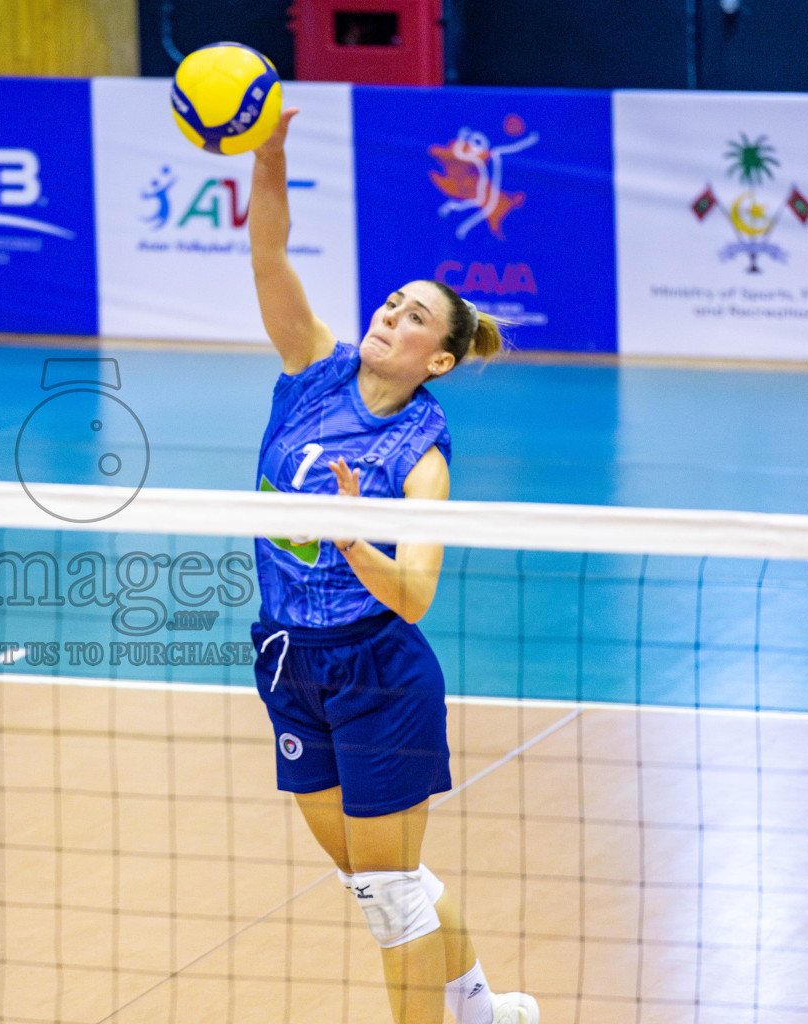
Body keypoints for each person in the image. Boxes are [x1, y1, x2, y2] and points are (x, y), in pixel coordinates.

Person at [246, 109, 535, 1024]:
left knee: (389, 895)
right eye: (390, 303)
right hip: (288, 657)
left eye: (413, 317)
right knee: (383, 881)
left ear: (438, 358)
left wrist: (352, 533)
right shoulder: (313, 371)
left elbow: (413, 595)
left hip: (376, 670)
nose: (390, 316)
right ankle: (483, 1010)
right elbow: (269, 261)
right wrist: (272, 159)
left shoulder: (421, 454)